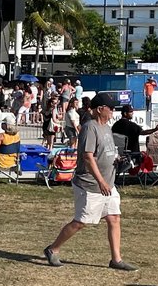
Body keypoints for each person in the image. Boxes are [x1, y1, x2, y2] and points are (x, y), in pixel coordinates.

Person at [42, 91, 136, 271]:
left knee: (114, 218)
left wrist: (117, 161)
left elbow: (106, 151)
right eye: (111, 108)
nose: (113, 112)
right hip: (91, 184)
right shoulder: (89, 128)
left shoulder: (107, 128)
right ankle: (53, 249)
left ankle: (116, 259)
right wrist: (100, 181)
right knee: (81, 221)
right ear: (100, 109)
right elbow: (87, 156)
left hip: (109, 184)